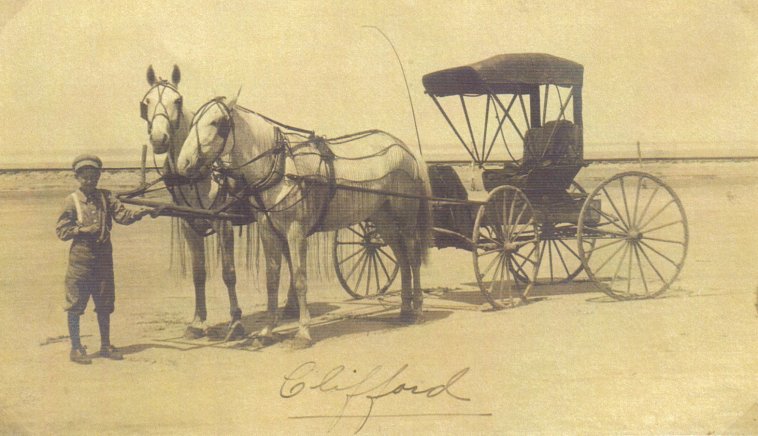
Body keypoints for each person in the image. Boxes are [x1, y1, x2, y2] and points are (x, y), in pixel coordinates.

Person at [55, 154, 153, 364]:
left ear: (99, 177)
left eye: (94, 177)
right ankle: (76, 348)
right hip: (80, 261)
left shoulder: (106, 197)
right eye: (85, 177)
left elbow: (123, 216)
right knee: (75, 305)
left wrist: (141, 213)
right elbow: (61, 232)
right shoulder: (71, 201)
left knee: (105, 303)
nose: (90, 181)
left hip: (103, 260)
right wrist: (81, 230)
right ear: (77, 177)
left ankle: (106, 345)